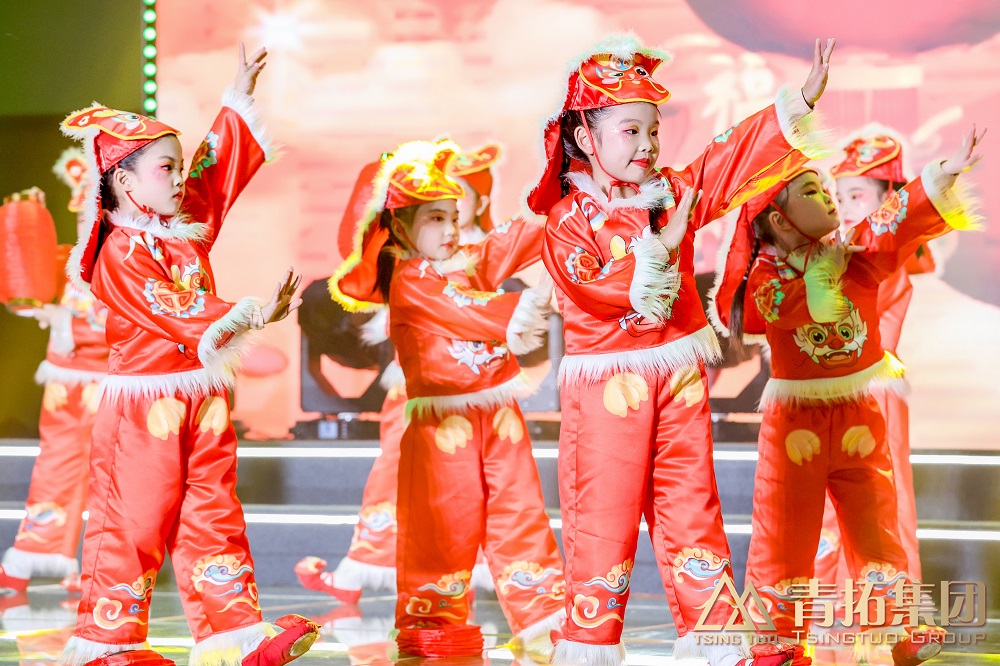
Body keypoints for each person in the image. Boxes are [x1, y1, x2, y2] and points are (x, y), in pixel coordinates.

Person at [527, 33, 835, 666]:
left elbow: (725, 160)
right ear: (586, 138)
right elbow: (592, 286)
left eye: (653, 130)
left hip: (678, 372)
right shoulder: (568, 219)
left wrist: (795, 105)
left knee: (693, 503)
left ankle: (718, 641)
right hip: (608, 386)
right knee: (603, 516)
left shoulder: (670, 193)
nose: (647, 145)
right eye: (629, 131)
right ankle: (588, 646)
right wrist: (657, 254)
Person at [57, 44, 318, 666]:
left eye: (176, 168)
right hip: (143, 407)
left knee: (213, 511)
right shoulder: (117, 252)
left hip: (201, 396)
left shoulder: (181, 230)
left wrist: (237, 97)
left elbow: (212, 175)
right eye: (165, 169)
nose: (179, 179)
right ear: (124, 182)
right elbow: (170, 306)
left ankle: (235, 634)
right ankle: (107, 644)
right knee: (134, 521)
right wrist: (248, 312)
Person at [710, 127, 984, 665]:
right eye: (811, 191)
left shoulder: (849, 248)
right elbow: (763, 311)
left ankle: (898, 628)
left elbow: (890, 224)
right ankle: (777, 642)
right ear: (777, 219)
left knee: (876, 524)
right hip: (795, 426)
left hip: (857, 412)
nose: (829, 195)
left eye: (827, 186)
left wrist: (939, 177)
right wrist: (817, 282)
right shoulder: (768, 274)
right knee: (784, 534)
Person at [329, 140, 565, 660]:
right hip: (442, 428)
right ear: (400, 226)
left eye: (454, 216)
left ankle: (543, 621)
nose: (452, 229)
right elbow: (462, 308)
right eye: (436, 218)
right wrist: (525, 304)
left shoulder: (466, 264)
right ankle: (433, 633)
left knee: (521, 514)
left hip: (498, 417)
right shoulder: (410, 281)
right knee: (442, 530)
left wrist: (566, 197)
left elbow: (511, 240)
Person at [294, 143, 509, 604]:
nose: (446, 211)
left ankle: (469, 569)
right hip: (417, 381)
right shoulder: (415, 250)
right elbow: (361, 249)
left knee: (476, 476)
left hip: (472, 388)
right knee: (395, 466)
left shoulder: (486, 252)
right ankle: (366, 567)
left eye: (457, 200)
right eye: (434, 205)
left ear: (480, 204)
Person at [813, 129, 935, 592]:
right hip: (832, 386)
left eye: (857, 194)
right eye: (840, 195)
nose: (845, 205)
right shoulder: (837, 249)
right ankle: (829, 602)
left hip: (872, 385)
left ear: (889, 200)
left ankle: (892, 605)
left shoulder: (885, 250)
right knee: (828, 497)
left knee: (885, 493)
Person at [0, 153, 108, 597]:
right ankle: (35, 555)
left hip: (114, 383)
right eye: (82, 218)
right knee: (56, 466)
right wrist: (25, 226)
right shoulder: (68, 261)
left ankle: (100, 566)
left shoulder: (128, 266)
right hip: (66, 382)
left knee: (111, 475)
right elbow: (23, 291)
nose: (87, 227)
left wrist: (65, 320)